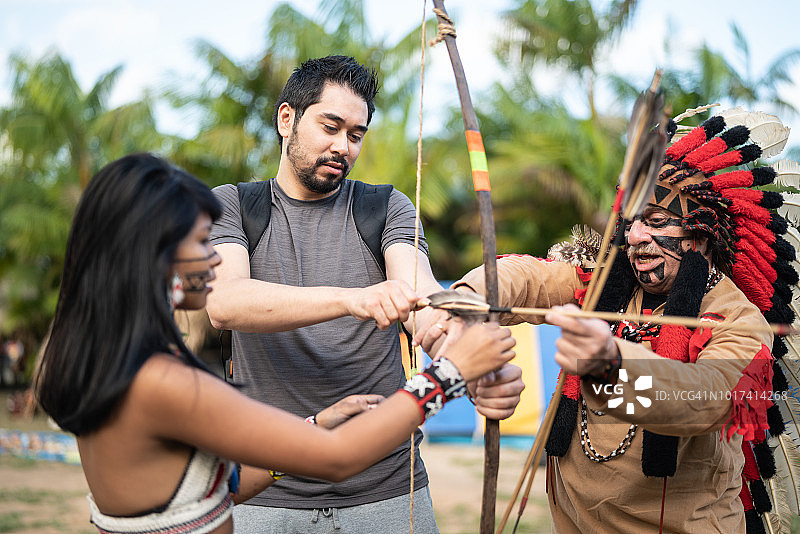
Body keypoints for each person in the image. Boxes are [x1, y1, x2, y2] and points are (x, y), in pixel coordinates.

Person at [33, 153, 517, 534]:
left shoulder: (109, 363)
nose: (214, 259)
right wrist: (449, 375)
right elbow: (338, 460)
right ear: (154, 254)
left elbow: (225, 485)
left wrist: (315, 424)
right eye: (202, 243)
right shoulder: (161, 381)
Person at [433, 109, 798, 533]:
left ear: (700, 234)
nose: (636, 236)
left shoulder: (742, 322)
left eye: (656, 221)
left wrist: (611, 363)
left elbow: (707, 401)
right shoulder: (606, 282)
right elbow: (528, 276)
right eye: (631, 222)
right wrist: (467, 299)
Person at [206, 54, 525, 532]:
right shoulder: (232, 205)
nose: (343, 146)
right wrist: (351, 298)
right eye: (330, 126)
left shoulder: (383, 206)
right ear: (287, 119)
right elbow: (224, 304)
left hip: (386, 488)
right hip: (264, 488)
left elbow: (422, 302)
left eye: (356, 135)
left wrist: (468, 361)